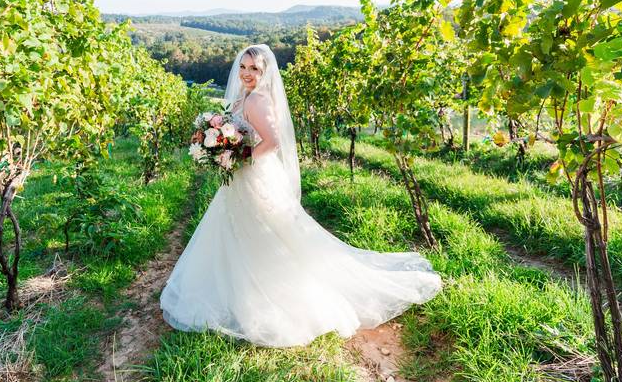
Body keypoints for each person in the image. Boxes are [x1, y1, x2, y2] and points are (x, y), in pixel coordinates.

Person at [159, 44, 442, 347]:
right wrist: (215, 143)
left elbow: (273, 142)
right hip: (242, 176)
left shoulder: (257, 100)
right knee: (238, 231)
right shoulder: (243, 96)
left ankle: (266, 293)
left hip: (254, 175)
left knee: (265, 234)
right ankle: (236, 290)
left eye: (254, 69)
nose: (246, 74)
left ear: (265, 72)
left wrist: (239, 158)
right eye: (243, 67)